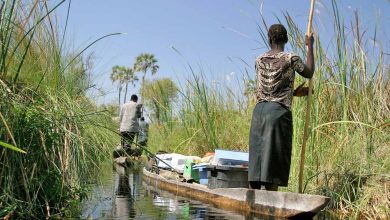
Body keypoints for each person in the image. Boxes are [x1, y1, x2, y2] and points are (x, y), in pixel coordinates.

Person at [248, 24, 314, 191]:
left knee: (257, 164)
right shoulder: (290, 58)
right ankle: (270, 206)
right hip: (277, 115)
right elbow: (309, 72)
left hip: (259, 114)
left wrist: (294, 93)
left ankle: (252, 202)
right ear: (286, 39)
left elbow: (270, 88)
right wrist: (310, 46)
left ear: (269, 39)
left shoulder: (259, 59)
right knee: (273, 165)